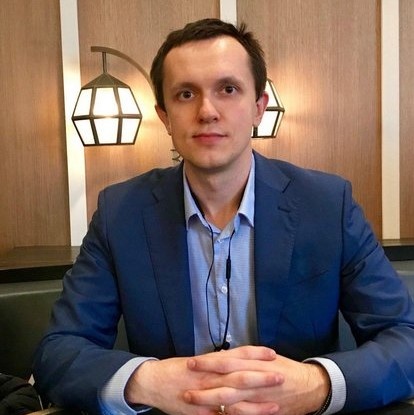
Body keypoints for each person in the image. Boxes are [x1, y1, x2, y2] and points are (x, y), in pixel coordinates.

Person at [33, 18, 414, 415]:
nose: (207, 111)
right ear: (164, 116)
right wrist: (149, 381)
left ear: (258, 107)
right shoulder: (120, 213)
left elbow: (405, 337)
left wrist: (315, 384)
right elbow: (58, 352)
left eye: (228, 89)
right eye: (185, 94)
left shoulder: (328, 204)